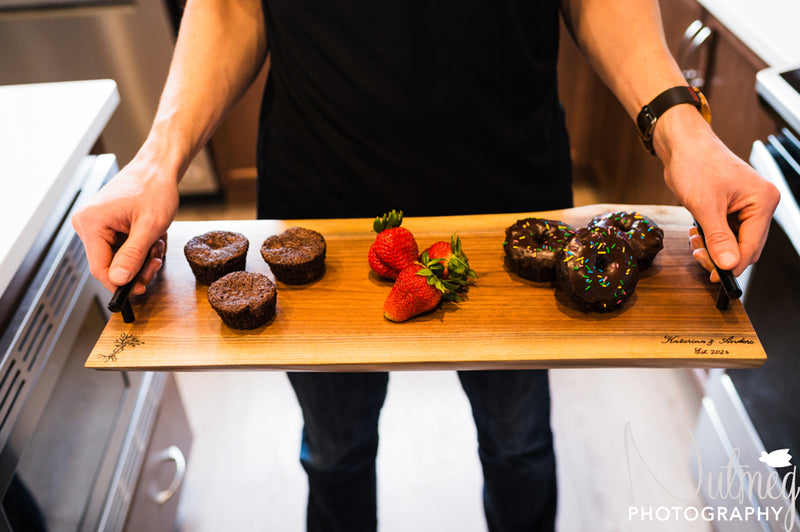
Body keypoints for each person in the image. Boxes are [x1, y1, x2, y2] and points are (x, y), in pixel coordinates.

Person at [71, 0, 779, 530]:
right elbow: (231, 4)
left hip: (511, 203)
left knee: (518, 444)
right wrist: (156, 158)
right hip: (320, 202)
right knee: (336, 451)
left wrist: (680, 131)